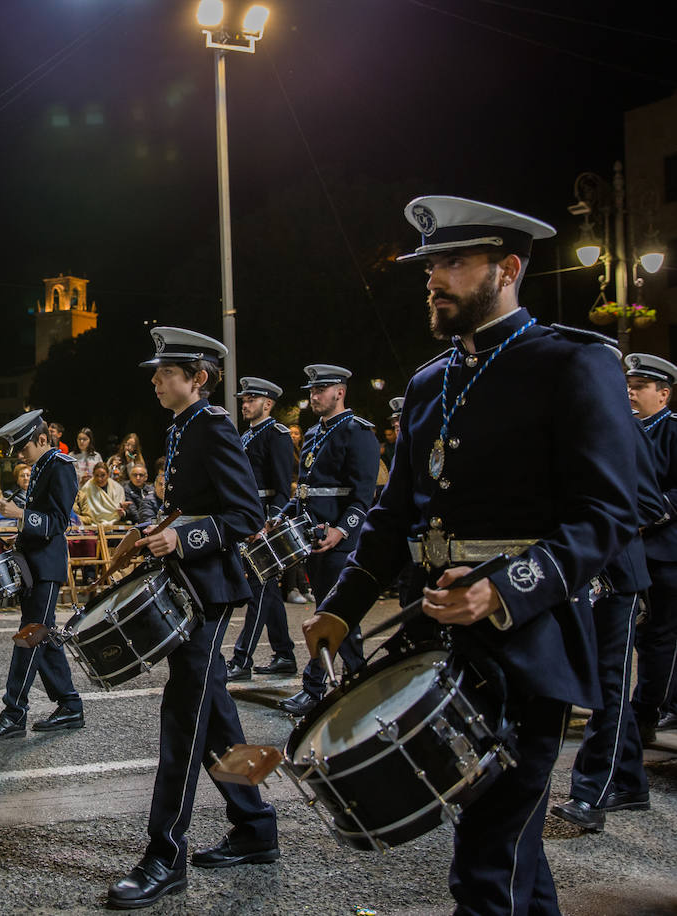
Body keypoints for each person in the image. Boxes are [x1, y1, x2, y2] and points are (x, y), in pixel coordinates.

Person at [303, 195, 635, 913]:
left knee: (486, 864)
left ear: (508, 269)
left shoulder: (571, 364)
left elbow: (609, 514)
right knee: (510, 852)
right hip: (442, 646)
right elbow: (392, 519)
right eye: (431, 265)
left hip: (530, 643)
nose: (433, 279)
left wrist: (505, 589)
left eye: (454, 262)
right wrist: (340, 608)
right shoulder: (430, 381)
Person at [107, 327, 277, 910]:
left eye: (165, 372)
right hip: (190, 586)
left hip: (208, 593)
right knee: (216, 717)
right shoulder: (180, 428)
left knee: (182, 719)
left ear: (198, 378)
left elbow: (245, 514)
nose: (155, 380)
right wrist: (154, 527)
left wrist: (182, 536)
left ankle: (165, 854)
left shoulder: (212, 426)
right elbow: (192, 505)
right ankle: (255, 828)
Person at [552, 347, 663, 832]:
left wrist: (597, 528)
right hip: (577, 575)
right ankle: (632, 783)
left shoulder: (623, 427)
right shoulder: (559, 427)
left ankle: (590, 793)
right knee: (596, 680)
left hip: (614, 575)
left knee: (607, 687)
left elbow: (650, 504)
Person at [273, 364, 380, 716]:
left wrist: (341, 530)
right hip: (313, 539)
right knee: (338, 616)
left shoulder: (357, 431)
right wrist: (282, 516)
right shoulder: (316, 432)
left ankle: (315, 688)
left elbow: (362, 496)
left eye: (321, 390)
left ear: (340, 392)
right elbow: (304, 492)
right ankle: (359, 683)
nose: (314, 396)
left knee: (332, 615)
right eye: (312, 391)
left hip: (339, 542)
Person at [0, 410, 83, 739]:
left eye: (24, 448)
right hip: (33, 564)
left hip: (47, 565)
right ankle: (70, 705)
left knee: (30, 635)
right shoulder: (41, 466)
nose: (20, 455)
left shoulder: (60, 466)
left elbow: (59, 522)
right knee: (42, 636)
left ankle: (14, 712)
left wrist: (19, 514)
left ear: (43, 439)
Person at [228, 377, 297, 681]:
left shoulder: (277, 434)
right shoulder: (245, 436)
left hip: (262, 524)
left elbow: (282, 488)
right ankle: (284, 654)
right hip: (246, 520)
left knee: (259, 591)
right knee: (267, 591)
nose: (245, 404)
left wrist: (270, 522)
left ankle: (241, 660)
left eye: (251, 399)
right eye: (243, 400)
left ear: (268, 404)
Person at [624, 353, 677, 744]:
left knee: (657, 637)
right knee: (626, 635)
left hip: (663, 550)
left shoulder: (672, 431)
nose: (631, 392)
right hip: (624, 549)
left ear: (663, 394)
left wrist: (647, 515)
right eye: (629, 385)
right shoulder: (622, 429)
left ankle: (644, 715)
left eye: (640, 387)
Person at [122, 461, 162, 525]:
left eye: (141, 475)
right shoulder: (125, 490)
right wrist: (148, 522)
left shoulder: (151, 489)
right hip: (137, 522)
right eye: (135, 475)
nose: (138, 478)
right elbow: (133, 512)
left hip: (153, 520)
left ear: (146, 477)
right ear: (130, 476)